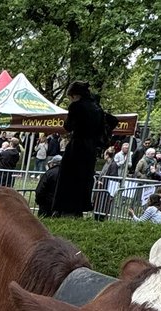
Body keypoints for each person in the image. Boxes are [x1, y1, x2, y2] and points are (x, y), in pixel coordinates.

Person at [52, 81, 116, 216]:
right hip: (91, 148)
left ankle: (65, 207)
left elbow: (68, 126)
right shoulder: (97, 108)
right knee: (84, 177)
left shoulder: (76, 107)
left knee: (69, 176)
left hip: (77, 145)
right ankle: (79, 207)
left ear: (75, 95)